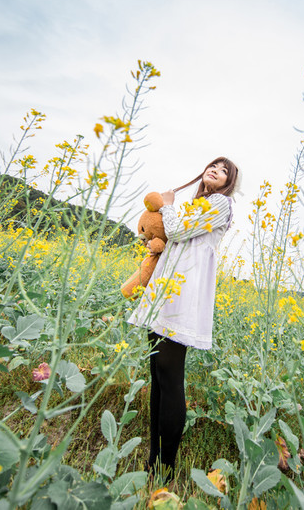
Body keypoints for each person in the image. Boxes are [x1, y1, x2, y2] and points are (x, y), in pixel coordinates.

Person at [127, 156, 239, 483]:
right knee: (158, 376)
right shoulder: (197, 203)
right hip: (163, 293)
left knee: (171, 378)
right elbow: (167, 238)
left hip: (182, 298)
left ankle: (167, 467)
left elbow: (174, 229)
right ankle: (153, 458)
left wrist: (168, 205)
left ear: (229, 182)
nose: (216, 170)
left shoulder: (221, 204)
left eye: (224, 171)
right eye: (213, 166)